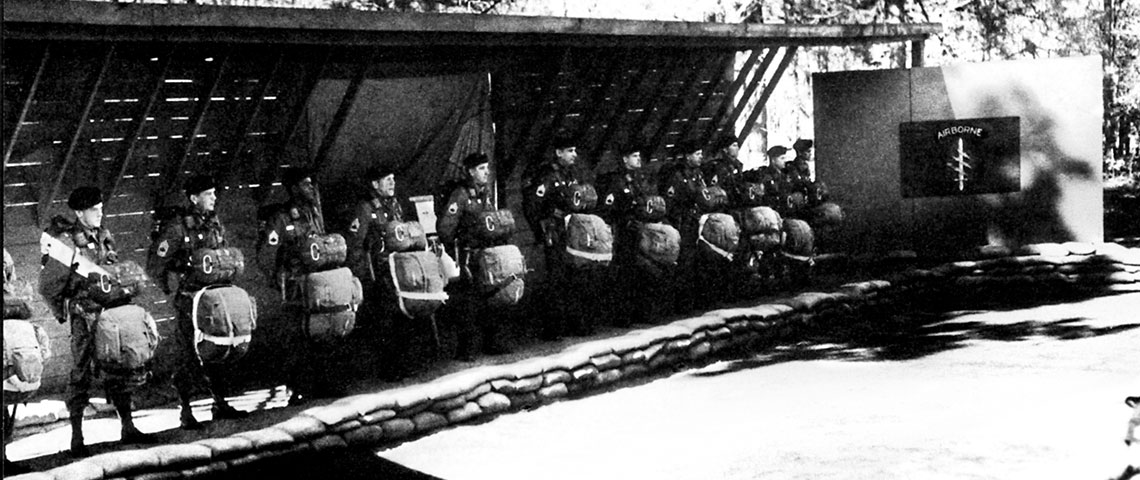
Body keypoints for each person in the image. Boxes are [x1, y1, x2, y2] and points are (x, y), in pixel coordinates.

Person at [38, 186, 156, 457]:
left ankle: (127, 426)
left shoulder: (103, 235)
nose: (100, 213)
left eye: (101, 208)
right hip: (85, 316)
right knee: (80, 372)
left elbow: (110, 269)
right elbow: (48, 285)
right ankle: (77, 438)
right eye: (94, 210)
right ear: (79, 212)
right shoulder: (65, 242)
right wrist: (64, 310)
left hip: (110, 313)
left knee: (120, 363)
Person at [147, 174, 249, 430]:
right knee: (187, 354)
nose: (214, 198)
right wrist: (173, 290)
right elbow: (156, 264)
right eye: (208, 194)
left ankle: (219, 403)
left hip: (214, 298)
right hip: (190, 301)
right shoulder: (177, 227)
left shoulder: (214, 223)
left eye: (214, 193)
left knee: (216, 348)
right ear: (194, 198)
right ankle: (186, 411)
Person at [262, 167, 347, 400]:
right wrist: (279, 282)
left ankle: (325, 384)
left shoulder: (315, 213)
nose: (311, 189)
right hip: (296, 286)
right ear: (294, 188)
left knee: (324, 333)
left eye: (312, 184)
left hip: (319, 284)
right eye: (307, 184)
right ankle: (300, 389)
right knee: (298, 339)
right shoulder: (281, 217)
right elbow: (266, 255)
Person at [523, 135, 600, 338]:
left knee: (574, 277)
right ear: (558, 152)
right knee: (556, 279)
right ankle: (553, 328)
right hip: (554, 232)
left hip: (571, 232)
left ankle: (574, 324)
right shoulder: (548, 175)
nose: (574, 154)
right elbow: (532, 205)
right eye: (570, 150)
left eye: (574, 150)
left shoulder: (570, 174)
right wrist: (541, 230)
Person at [341, 165, 413, 379]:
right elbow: (355, 246)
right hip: (378, 275)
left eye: (393, 178)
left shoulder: (395, 205)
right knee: (383, 323)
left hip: (398, 272)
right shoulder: (365, 208)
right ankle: (387, 369)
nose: (392, 183)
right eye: (386, 179)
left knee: (402, 317)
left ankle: (401, 365)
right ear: (374, 184)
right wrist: (364, 279)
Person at [437, 152, 509, 359]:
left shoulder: (484, 193)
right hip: (468, 257)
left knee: (490, 298)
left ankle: (491, 343)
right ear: (470, 171)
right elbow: (445, 228)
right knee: (467, 305)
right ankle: (466, 350)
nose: (486, 172)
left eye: (487, 168)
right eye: (481, 168)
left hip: (485, 255)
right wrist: (461, 245)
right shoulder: (461, 195)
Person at [596, 142, 668, 326]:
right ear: (625, 159)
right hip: (624, 233)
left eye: (639, 156)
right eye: (634, 156)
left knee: (641, 272)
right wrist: (622, 222)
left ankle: (640, 313)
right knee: (625, 274)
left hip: (639, 232)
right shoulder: (617, 181)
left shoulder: (638, 179)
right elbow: (608, 209)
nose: (639, 159)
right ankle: (623, 317)